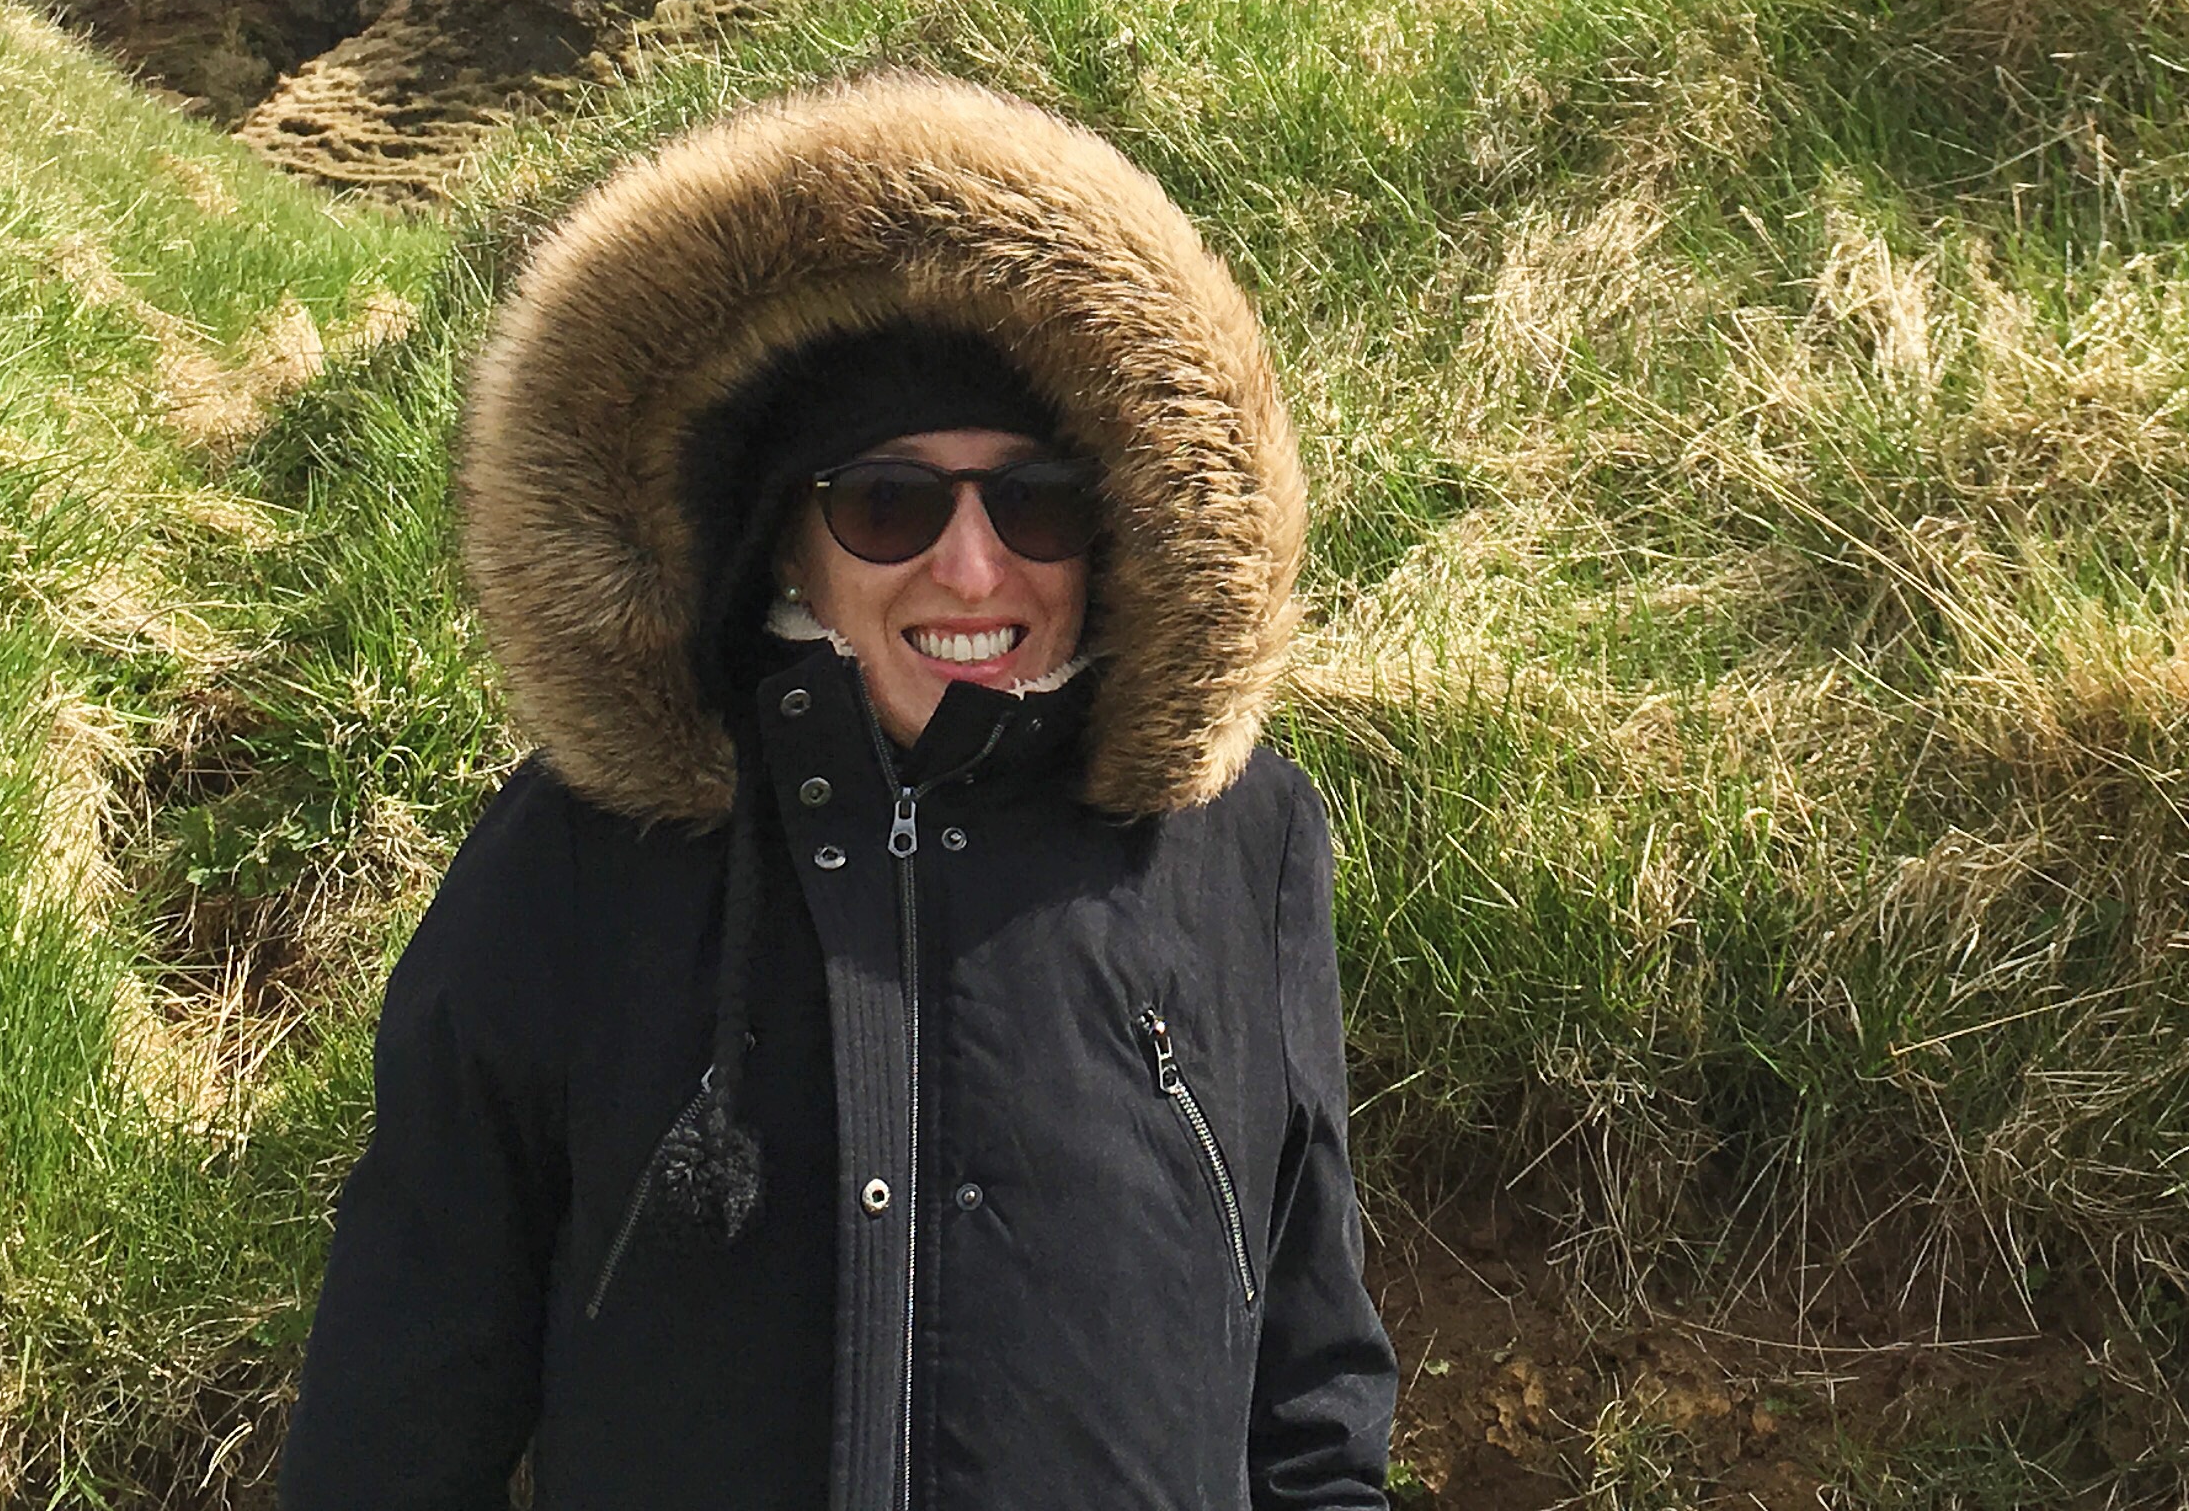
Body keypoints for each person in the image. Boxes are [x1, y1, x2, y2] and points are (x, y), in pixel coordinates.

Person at [282, 73, 1396, 1511]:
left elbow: (1312, 1395)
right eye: (891, 504)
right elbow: (403, 1386)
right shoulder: (582, 857)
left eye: (1036, 503)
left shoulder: (1243, 844)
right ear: (785, 541)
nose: (974, 569)